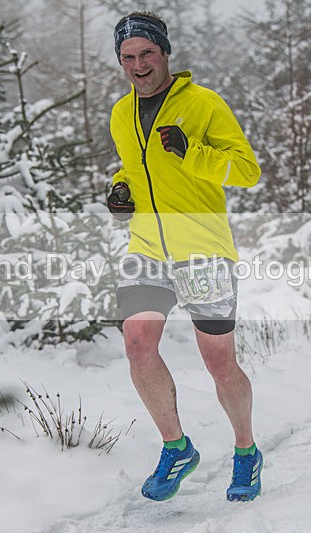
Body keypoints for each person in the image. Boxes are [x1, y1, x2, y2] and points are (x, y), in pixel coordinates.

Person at [107, 11, 263, 502]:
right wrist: (119, 191)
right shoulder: (120, 114)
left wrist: (193, 151)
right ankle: (177, 448)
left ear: (165, 52)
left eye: (147, 53)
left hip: (203, 251)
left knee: (219, 361)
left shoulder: (204, 104)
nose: (138, 64)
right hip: (148, 247)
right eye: (128, 57)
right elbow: (135, 171)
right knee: (137, 344)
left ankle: (246, 452)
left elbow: (247, 170)